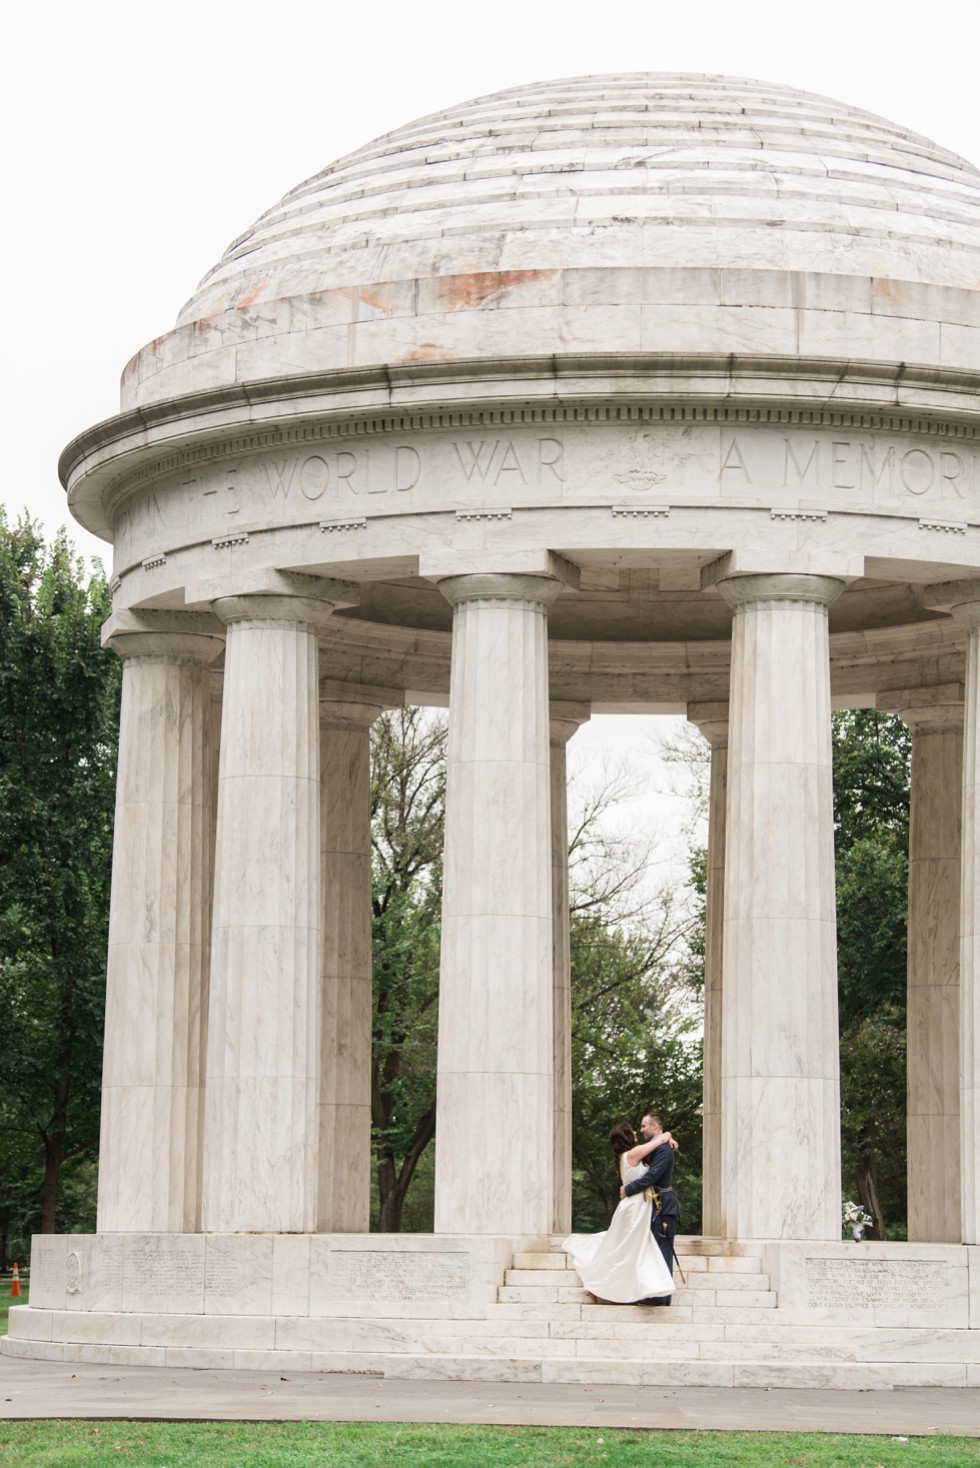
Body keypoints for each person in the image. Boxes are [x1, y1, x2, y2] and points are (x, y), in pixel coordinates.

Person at [560, 1121, 677, 1304]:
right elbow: (659, 1139)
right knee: (625, 1249)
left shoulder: (625, 1155)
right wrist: (668, 1135)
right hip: (635, 1207)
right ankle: (596, 1283)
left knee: (626, 1248)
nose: (636, 1133)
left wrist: (667, 1136)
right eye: (633, 1132)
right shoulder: (633, 1153)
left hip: (635, 1206)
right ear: (627, 1137)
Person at [620, 1111, 681, 1305]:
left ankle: (660, 1298)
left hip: (663, 1208)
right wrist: (668, 1135)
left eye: (644, 1125)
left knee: (662, 1252)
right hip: (656, 1207)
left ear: (654, 1126)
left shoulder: (663, 1150)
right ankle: (657, 1295)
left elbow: (652, 1176)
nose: (641, 1129)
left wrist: (628, 1190)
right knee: (655, 1251)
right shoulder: (658, 1147)